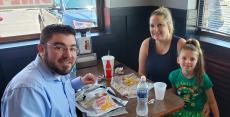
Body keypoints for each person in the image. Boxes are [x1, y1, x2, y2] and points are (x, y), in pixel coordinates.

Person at [1, 24, 100, 117]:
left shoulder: (57, 68)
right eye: (59, 48)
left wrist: (80, 82)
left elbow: (57, 88)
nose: (68, 55)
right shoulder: (27, 90)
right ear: (41, 49)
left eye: (72, 48)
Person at [168, 39, 219, 117]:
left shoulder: (203, 77)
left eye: (192, 59)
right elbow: (175, 93)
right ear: (178, 59)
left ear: (197, 61)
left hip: (197, 113)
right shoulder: (173, 75)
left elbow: (212, 101)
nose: (188, 61)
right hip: (179, 111)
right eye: (184, 58)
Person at [138, 7, 186, 87]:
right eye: (152, 26)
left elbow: (189, 77)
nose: (155, 29)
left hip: (175, 94)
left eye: (160, 25)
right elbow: (141, 74)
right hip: (151, 93)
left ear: (169, 25)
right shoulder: (146, 44)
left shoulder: (181, 44)